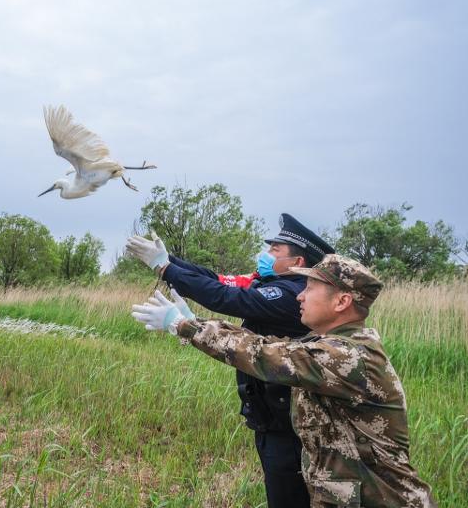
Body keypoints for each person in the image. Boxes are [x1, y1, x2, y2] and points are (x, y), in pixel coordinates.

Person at [131, 255, 436, 507]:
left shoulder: (347, 356)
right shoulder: (327, 344)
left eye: (310, 288)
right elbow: (269, 344)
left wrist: (185, 326)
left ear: (342, 301)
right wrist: (195, 323)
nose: (300, 295)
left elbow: (264, 356)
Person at [127, 214, 334, 508]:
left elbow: (226, 298)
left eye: (276, 250)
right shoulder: (269, 283)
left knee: (289, 497)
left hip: (289, 423)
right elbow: (217, 281)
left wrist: (165, 269)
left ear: (298, 263)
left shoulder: (290, 294)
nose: (266, 253)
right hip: (271, 415)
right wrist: (169, 261)